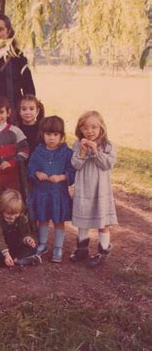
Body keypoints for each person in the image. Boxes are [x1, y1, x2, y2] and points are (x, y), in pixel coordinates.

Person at [70, 111, 117, 266]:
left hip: (100, 190)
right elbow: (76, 165)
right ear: (80, 130)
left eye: (94, 127)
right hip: (84, 189)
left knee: (102, 223)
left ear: (101, 128)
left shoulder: (108, 146)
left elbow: (107, 165)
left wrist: (96, 151)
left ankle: (102, 252)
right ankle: (82, 250)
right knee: (83, 221)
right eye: (85, 128)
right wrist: (83, 151)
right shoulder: (77, 144)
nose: (90, 131)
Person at [28, 116, 75, 263]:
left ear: (61, 136)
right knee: (42, 219)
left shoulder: (67, 153)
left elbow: (72, 171)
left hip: (58, 194)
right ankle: (42, 244)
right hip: (41, 193)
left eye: (55, 135)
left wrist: (61, 177)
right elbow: (30, 168)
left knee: (58, 220)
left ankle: (58, 247)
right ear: (42, 134)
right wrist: (37, 173)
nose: (52, 138)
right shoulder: (38, 151)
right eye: (48, 134)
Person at [0, 189, 42, 267]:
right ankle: (17, 260)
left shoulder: (22, 218)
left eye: (15, 214)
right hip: (1, 245)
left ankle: (12, 261)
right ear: (2, 209)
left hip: (15, 244)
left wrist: (27, 239)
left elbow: (25, 233)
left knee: (32, 248)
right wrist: (6, 254)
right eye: (9, 214)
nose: (12, 217)